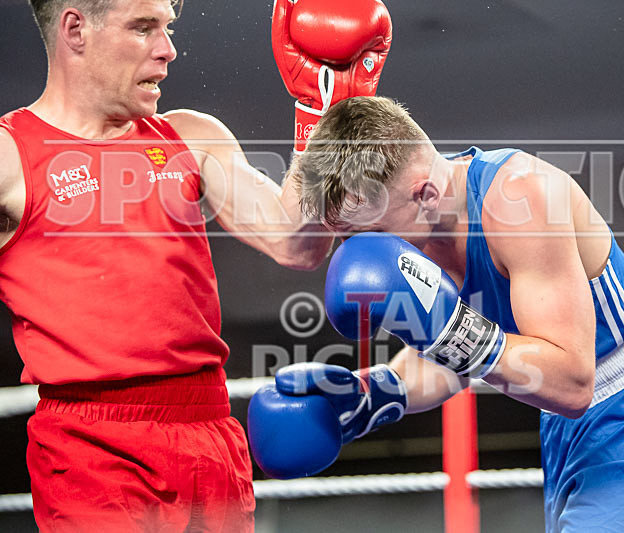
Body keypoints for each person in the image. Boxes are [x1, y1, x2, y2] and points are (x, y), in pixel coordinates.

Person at [0, 0, 388, 530]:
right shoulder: (11, 157)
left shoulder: (191, 136)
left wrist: (321, 116)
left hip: (208, 433)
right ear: (75, 29)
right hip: (90, 445)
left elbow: (296, 244)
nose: (168, 50)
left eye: (168, 27)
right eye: (143, 28)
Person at [249, 96, 624, 531]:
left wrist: (452, 333)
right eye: (348, 237)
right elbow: (448, 359)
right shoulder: (414, 230)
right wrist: (372, 395)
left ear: (426, 194)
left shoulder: (522, 199)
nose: (359, 251)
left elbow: (573, 382)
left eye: (368, 233)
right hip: (563, 426)